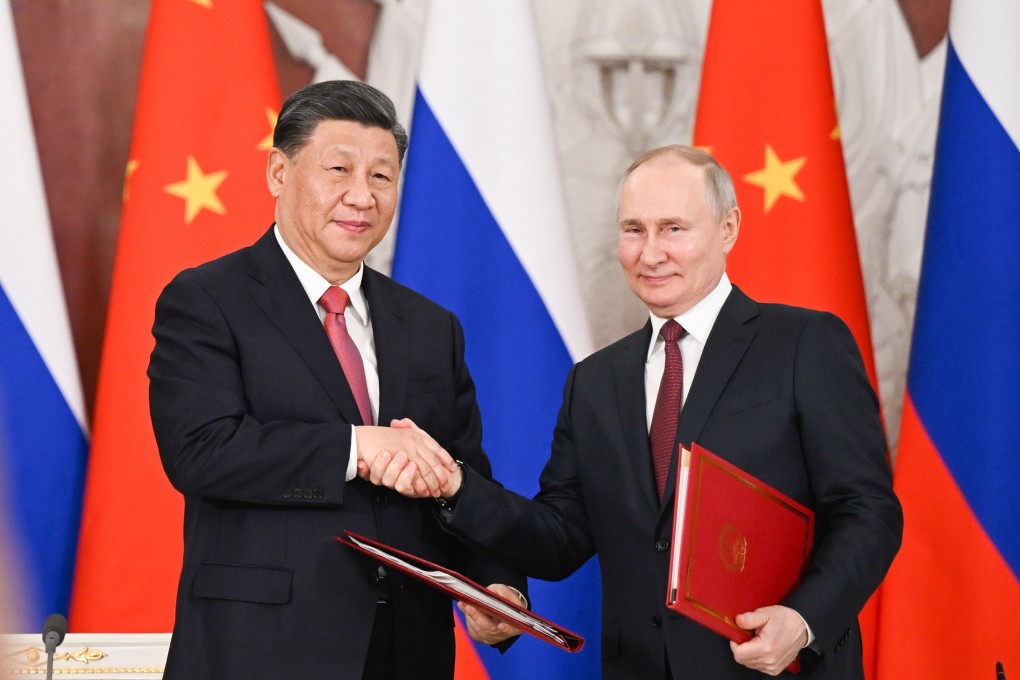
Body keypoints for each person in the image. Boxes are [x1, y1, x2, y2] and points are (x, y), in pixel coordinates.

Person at [374, 145, 903, 678]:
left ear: (728, 229)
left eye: (673, 229)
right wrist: (457, 486)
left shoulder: (805, 344)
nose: (651, 253)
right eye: (634, 230)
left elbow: (868, 511)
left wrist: (804, 619)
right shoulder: (594, 382)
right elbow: (560, 536)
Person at [147, 80, 526, 680]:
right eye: (339, 170)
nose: (362, 196)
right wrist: (357, 447)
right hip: (259, 650)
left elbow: (460, 476)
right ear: (279, 172)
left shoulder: (431, 326)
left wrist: (495, 583)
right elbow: (200, 450)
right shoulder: (206, 300)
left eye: (381, 177)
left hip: (407, 649)